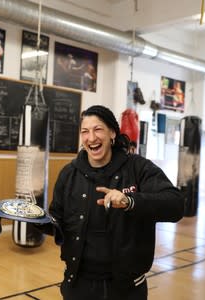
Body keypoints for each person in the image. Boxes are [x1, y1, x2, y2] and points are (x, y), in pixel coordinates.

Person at [41, 105, 184, 300]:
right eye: (85, 131)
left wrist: (130, 201)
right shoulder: (69, 173)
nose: (91, 138)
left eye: (98, 129)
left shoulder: (138, 168)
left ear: (113, 133)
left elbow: (175, 205)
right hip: (78, 285)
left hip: (126, 289)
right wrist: (32, 218)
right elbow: (57, 222)